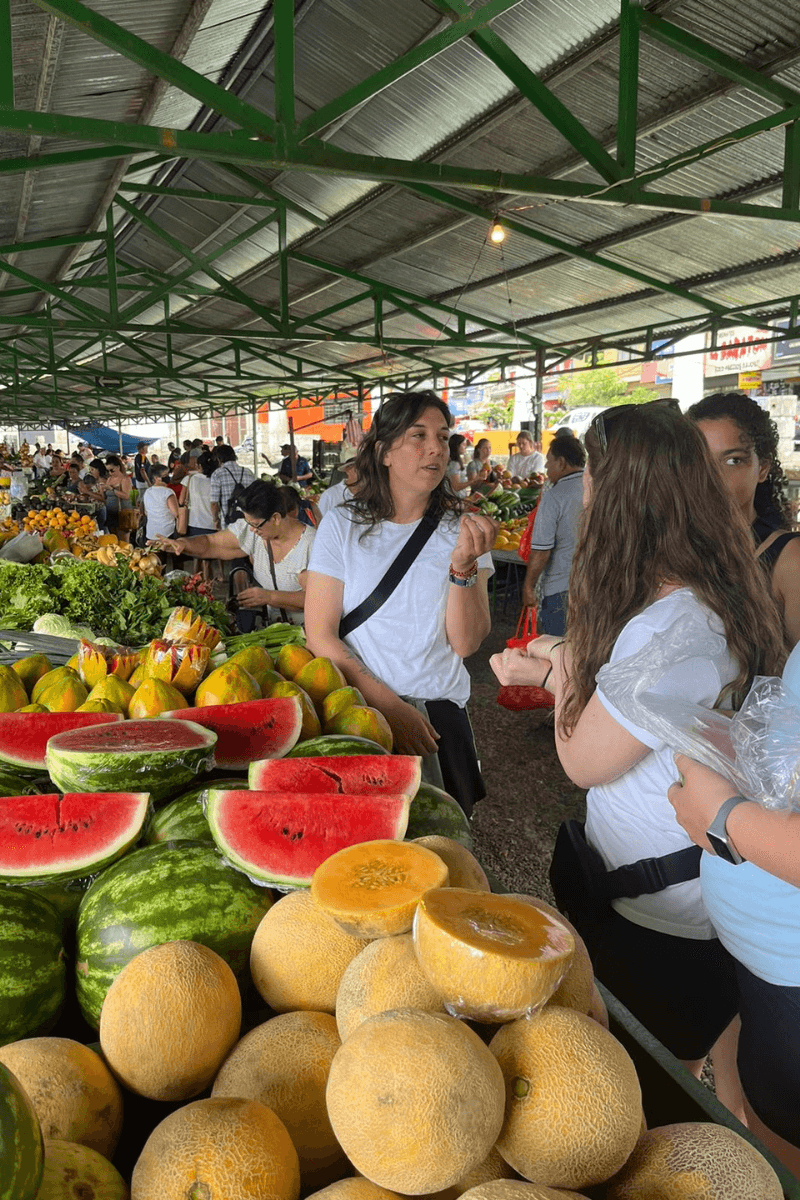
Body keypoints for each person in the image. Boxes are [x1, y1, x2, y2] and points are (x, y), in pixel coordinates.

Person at [491, 401, 785, 1102]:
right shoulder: (703, 594)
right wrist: (559, 659)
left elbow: (582, 761)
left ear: (618, 492)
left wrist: (560, 673)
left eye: (593, 474)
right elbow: (640, 709)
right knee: (712, 1069)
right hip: (683, 896)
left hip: (663, 910)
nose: (583, 490)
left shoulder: (674, 627)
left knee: (649, 1093)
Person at [304, 390, 497, 816]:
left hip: (436, 718)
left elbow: (465, 644)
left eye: (443, 437)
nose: (435, 448)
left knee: (446, 850)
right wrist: (390, 707)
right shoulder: (342, 525)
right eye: (418, 435)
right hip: (362, 712)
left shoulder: (462, 529)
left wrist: (463, 566)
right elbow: (319, 634)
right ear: (384, 451)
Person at [688, 391, 800, 647]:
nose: (713, 476)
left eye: (732, 460)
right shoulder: (674, 549)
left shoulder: (789, 559)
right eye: (699, 462)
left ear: (762, 469)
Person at [155, 481, 314, 625]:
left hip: (310, 631)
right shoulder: (254, 532)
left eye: (256, 524)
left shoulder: (311, 545)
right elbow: (212, 543)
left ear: (276, 518)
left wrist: (269, 597)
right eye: (248, 523)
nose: (251, 529)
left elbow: (317, 599)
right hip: (277, 628)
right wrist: (182, 543)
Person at [521, 434, 586, 635]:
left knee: (559, 655)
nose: (546, 468)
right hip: (593, 587)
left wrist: (528, 587)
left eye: (549, 462)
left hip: (561, 592)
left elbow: (541, 552)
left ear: (561, 462)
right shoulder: (597, 488)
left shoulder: (554, 497)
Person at [179, 451, 220, 582]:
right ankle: (208, 584)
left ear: (199, 465)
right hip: (212, 523)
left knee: (197, 554)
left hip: (194, 522)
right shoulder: (216, 479)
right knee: (208, 557)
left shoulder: (189, 479)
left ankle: (196, 582)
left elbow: (181, 501)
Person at [209, 444, 255, 531]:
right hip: (248, 522)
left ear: (219, 459)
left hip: (228, 523)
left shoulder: (217, 474)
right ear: (234, 456)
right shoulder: (248, 472)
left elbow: (214, 503)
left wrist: (216, 520)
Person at [317, 447, 360, 517]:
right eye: (361, 467)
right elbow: (321, 524)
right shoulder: (330, 496)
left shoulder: (371, 494)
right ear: (348, 469)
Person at [142, 463, 179, 541]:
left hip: (151, 533)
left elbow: (146, 512)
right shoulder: (168, 492)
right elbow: (176, 513)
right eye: (165, 475)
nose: (168, 477)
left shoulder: (147, 492)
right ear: (156, 478)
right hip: (167, 533)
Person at [103, 454, 132, 538]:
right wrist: (102, 490)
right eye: (108, 471)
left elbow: (126, 496)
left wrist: (112, 489)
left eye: (112, 470)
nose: (110, 473)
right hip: (110, 512)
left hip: (122, 513)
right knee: (113, 539)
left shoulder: (125, 479)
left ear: (118, 467)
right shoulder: (109, 479)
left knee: (123, 540)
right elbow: (105, 497)